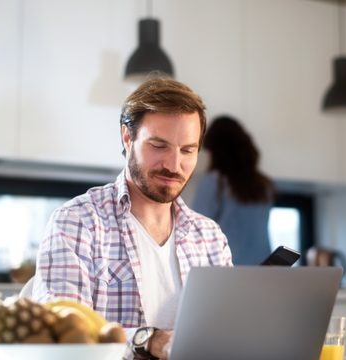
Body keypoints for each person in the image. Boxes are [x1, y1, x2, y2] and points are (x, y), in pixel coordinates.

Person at [31, 78, 233, 359]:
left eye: (187, 150)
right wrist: (149, 340)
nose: (174, 165)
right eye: (159, 146)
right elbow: (62, 334)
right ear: (128, 137)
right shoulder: (77, 223)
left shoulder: (210, 237)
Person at [192, 115, 274, 265]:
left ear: (216, 152)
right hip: (262, 273)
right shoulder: (264, 186)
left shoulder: (214, 182)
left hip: (227, 275)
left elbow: (196, 235)